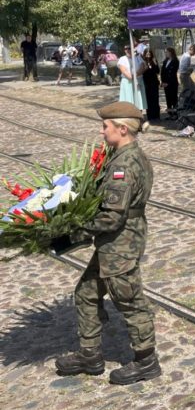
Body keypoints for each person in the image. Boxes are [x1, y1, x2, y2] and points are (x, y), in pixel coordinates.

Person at [54, 101, 161, 385]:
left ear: (122, 129)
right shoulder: (124, 156)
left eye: (106, 126)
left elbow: (111, 218)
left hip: (120, 244)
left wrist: (73, 230)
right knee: (86, 293)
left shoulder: (124, 166)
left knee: (129, 300)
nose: (102, 132)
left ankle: (146, 361)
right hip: (114, 243)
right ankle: (90, 355)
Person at [118, 45, 146, 110]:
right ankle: (128, 116)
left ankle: (139, 116)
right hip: (127, 82)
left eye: (129, 48)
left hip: (138, 81)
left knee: (138, 99)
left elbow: (142, 67)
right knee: (127, 99)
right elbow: (124, 70)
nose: (127, 50)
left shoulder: (138, 58)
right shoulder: (122, 59)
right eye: (126, 49)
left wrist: (135, 76)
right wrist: (132, 78)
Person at [160, 47, 179, 117]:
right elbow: (162, 72)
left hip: (172, 82)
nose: (166, 53)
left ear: (171, 52)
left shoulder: (175, 61)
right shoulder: (165, 61)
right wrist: (162, 82)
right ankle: (170, 113)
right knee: (168, 98)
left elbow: (172, 73)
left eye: (167, 52)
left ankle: (175, 113)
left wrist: (168, 83)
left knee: (173, 98)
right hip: (165, 83)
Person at [142, 49, 160, 121]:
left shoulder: (154, 61)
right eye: (147, 53)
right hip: (147, 83)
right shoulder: (143, 62)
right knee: (148, 100)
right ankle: (150, 116)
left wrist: (155, 64)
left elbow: (157, 71)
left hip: (154, 83)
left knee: (155, 99)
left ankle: (156, 116)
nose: (148, 55)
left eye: (149, 54)